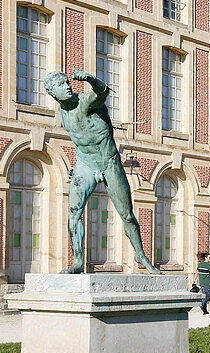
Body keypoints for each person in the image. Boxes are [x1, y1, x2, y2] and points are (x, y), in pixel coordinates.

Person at [44, 70, 158, 274]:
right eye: (61, 85)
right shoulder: (63, 114)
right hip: (85, 164)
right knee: (74, 213)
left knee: (127, 215)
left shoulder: (85, 102)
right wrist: (76, 168)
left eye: (67, 82)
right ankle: (78, 260)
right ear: (52, 93)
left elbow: (103, 92)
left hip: (109, 162)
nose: (68, 86)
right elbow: (81, 141)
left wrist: (90, 79)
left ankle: (140, 255)